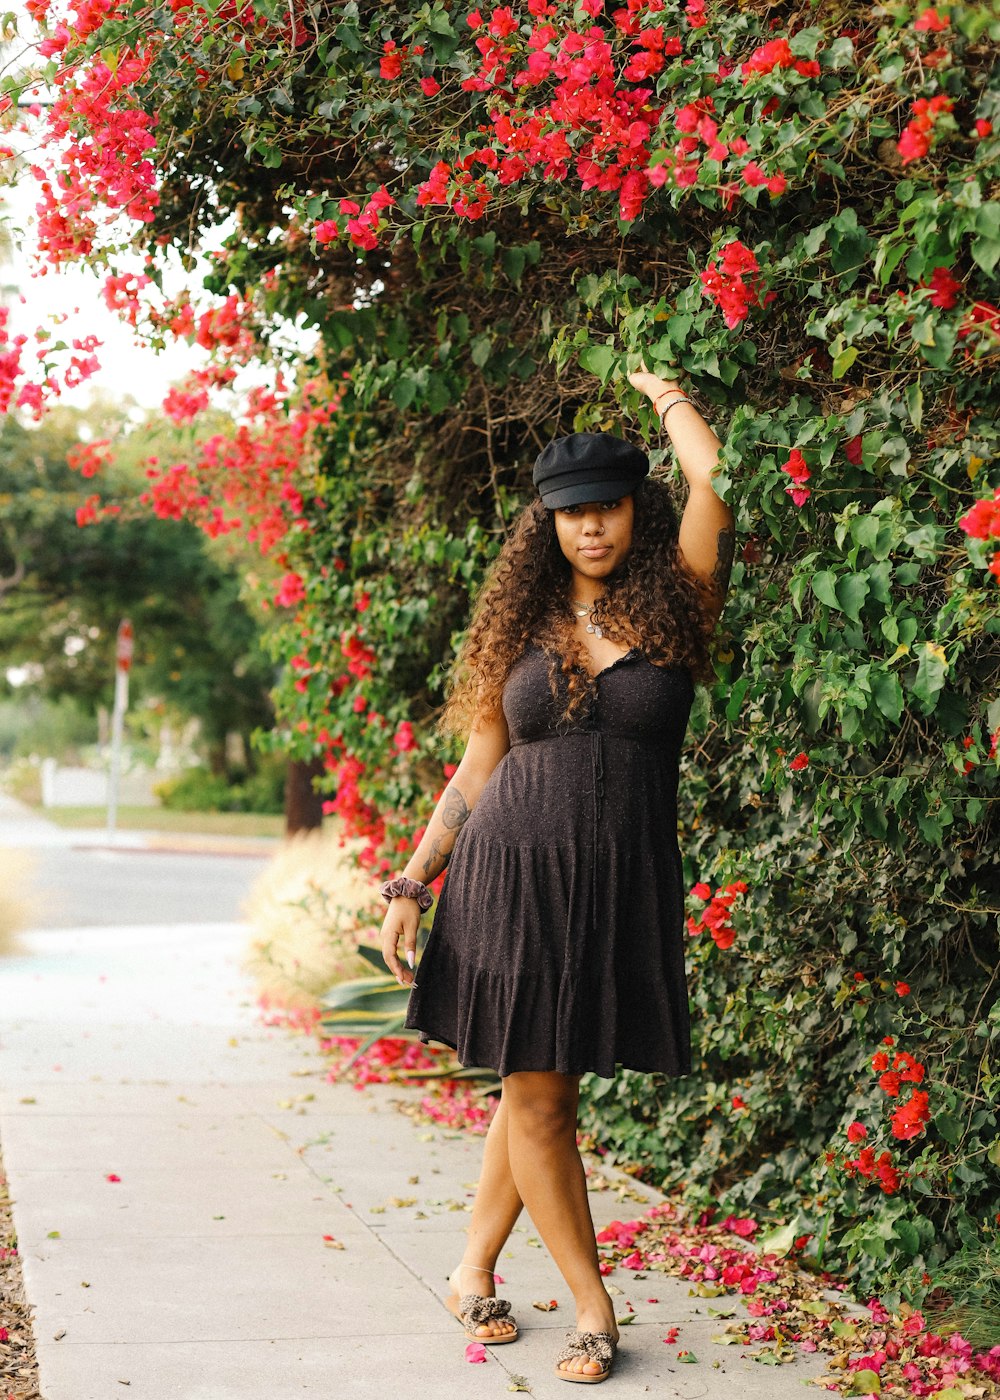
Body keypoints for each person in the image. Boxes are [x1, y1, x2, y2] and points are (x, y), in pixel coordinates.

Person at [378, 369, 735, 1384]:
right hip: (510, 882)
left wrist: (664, 396)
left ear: (636, 508)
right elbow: (478, 769)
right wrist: (412, 881)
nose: (590, 528)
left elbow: (716, 480)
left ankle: (472, 1264)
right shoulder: (519, 631)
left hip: (615, 885)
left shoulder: (680, 603)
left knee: (539, 1087)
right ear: (547, 522)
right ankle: (592, 1301)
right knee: (540, 1097)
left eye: (608, 507)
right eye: (572, 512)